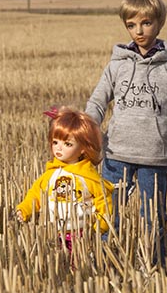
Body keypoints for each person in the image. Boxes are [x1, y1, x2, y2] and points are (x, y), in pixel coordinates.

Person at [85, 0, 167, 265]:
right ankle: (105, 262)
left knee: (154, 216)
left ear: (159, 23)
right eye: (131, 25)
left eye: (146, 23)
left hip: (155, 158)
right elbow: (98, 101)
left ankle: (154, 265)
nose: (139, 31)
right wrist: (87, 132)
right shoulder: (117, 65)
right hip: (116, 154)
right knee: (109, 212)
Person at [16, 107, 114, 250]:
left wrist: (98, 227)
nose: (59, 148)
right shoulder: (50, 174)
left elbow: (104, 203)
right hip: (52, 233)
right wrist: (23, 210)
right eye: (55, 142)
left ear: (83, 148)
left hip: (81, 235)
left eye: (67, 144)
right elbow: (35, 195)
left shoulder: (89, 178)